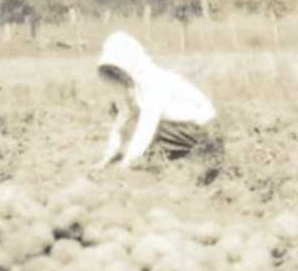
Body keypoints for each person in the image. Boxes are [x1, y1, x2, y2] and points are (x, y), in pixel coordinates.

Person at [92, 31, 217, 169]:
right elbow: (122, 122)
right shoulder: (133, 88)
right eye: (113, 72)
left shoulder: (155, 82)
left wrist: (126, 163)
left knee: (143, 131)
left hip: (201, 129)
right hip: (174, 127)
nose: (117, 75)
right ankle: (163, 153)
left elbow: (147, 125)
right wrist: (106, 158)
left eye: (118, 70)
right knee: (131, 125)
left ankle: (195, 152)